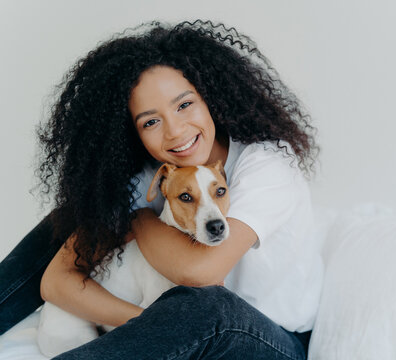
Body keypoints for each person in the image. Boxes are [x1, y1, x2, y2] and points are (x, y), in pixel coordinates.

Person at [0, 20, 322, 359]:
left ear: (211, 97)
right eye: (150, 121)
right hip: (186, 324)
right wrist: (146, 324)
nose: (175, 131)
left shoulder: (266, 163)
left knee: (206, 304)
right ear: (132, 133)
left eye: (184, 105)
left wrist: (138, 220)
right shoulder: (151, 177)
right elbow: (56, 282)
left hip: (274, 339)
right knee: (78, 214)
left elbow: (200, 273)